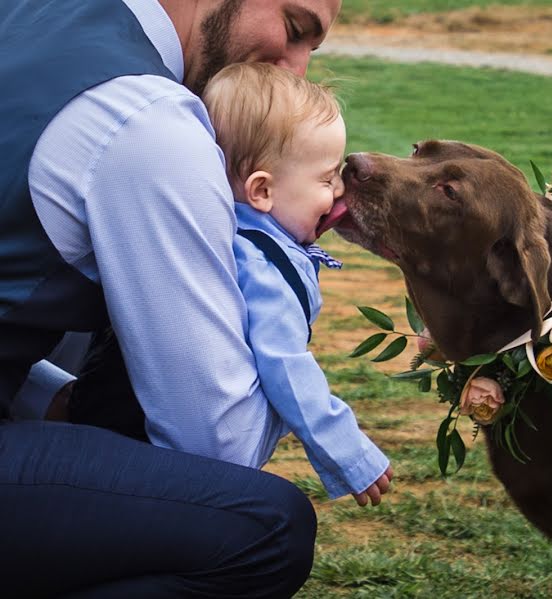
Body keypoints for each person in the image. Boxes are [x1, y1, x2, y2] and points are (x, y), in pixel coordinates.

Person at [0, 0, 365, 596]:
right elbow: (218, 442)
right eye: (295, 29)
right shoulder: (147, 118)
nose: (296, 68)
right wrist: (280, 283)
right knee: (265, 527)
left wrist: (53, 397)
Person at [201, 61, 393, 505]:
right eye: (327, 180)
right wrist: (350, 451)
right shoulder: (262, 266)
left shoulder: (241, 236)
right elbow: (285, 365)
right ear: (262, 191)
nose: (340, 193)